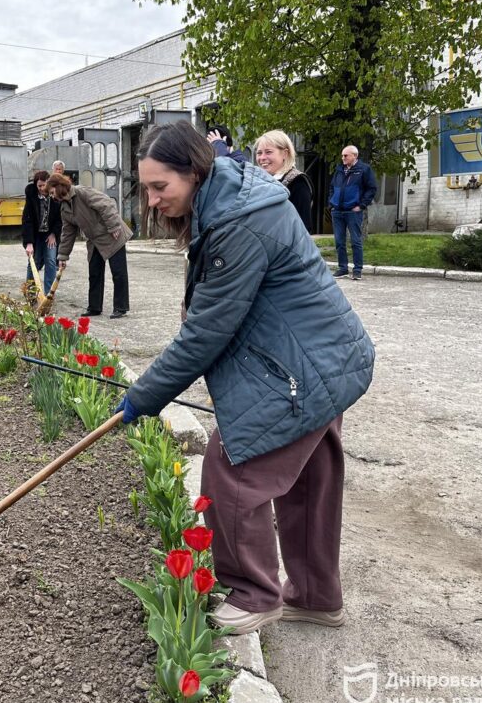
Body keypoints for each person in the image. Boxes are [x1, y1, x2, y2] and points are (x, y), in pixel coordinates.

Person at [117, 121, 374, 636]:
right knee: (306, 485)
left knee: (231, 470)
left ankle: (256, 594)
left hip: (302, 370)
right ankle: (317, 598)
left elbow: (207, 331)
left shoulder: (238, 222)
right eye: (145, 187)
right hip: (323, 358)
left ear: (193, 172)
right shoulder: (232, 200)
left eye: (159, 186)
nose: (150, 200)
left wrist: (141, 397)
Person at [47, 172, 131, 319]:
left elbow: (106, 204)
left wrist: (113, 226)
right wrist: (63, 256)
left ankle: (121, 307)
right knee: (94, 273)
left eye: (52, 192)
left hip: (112, 234)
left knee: (118, 272)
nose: (52, 196)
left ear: (59, 186)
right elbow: (67, 232)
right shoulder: (65, 207)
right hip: (94, 240)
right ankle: (94, 307)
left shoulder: (82, 192)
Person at [328, 145, 378, 280]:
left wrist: (361, 205)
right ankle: (343, 268)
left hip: (353, 211)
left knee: (355, 241)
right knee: (339, 241)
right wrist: (331, 203)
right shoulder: (339, 170)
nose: (343, 158)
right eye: (342, 156)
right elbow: (332, 187)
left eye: (346, 156)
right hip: (337, 211)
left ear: (355, 156)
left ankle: (357, 270)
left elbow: (372, 188)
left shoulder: (363, 169)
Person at [254, 130, 314, 234]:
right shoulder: (258, 181)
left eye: (268, 152)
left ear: (285, 154)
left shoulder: (298, 182)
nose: (262, 158)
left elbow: (303, 228)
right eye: (259, 153)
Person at [21, 170, 61, 294]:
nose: (42, 188)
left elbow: (61, 218)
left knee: (51, 261)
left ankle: (49, 295)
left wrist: (54, 234)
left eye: (44, 185)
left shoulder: (56, 196)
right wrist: (29, 243)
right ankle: (31, 295)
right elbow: (27, 220)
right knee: (34, 262)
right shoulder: (32, 196)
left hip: (50, 234)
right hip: (35, 235)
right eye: (39, 186)